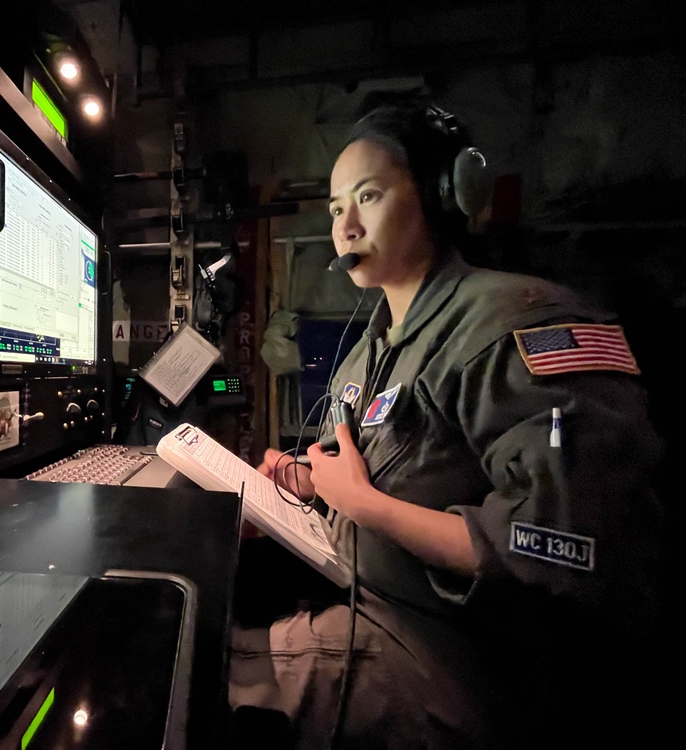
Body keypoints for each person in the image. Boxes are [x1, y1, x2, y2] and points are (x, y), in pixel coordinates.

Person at [229, 101, 665, 749]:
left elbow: (570, 545)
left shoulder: (517, 322)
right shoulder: (367, 350)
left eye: (368, 196)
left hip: (456, 663)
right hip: (367, 609)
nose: (344, 225)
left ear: (445, 195)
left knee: (195, 683)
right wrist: (298, 480)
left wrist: (366, 505)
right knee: (196, 627)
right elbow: (359, 462)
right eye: (333, 206)